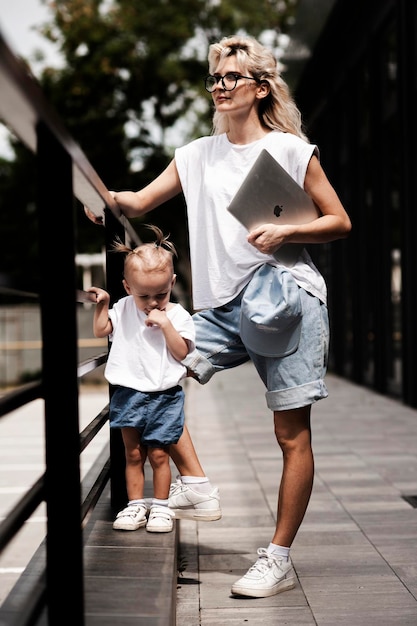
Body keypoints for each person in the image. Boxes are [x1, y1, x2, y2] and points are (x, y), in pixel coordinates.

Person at [86, 34, 351, 596]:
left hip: (285, 299)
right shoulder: (196, 155)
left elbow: (339, 221)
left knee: (290, 434)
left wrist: (289, 230)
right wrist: (101, 195)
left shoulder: (288, 150)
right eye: (215, 77)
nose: (220, 86)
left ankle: (276, 558)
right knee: (152, 358)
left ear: (259, 87)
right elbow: (138, 201)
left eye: (232, 77)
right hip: (222, 308)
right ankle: (198, 484)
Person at [88, 224, 197, 533]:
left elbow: (181, 354)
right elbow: (101, 331)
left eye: (161, 294)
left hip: (165, 395)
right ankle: (136, 505)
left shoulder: (178, 316)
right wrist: (103, 305)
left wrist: (165, 324)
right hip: (128, 394)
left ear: (172, 283)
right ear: (127, 287)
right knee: (133, 454)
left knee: (160, 454)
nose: (152, 302)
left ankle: (161, 507)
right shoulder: (123, 308)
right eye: (143, 295)